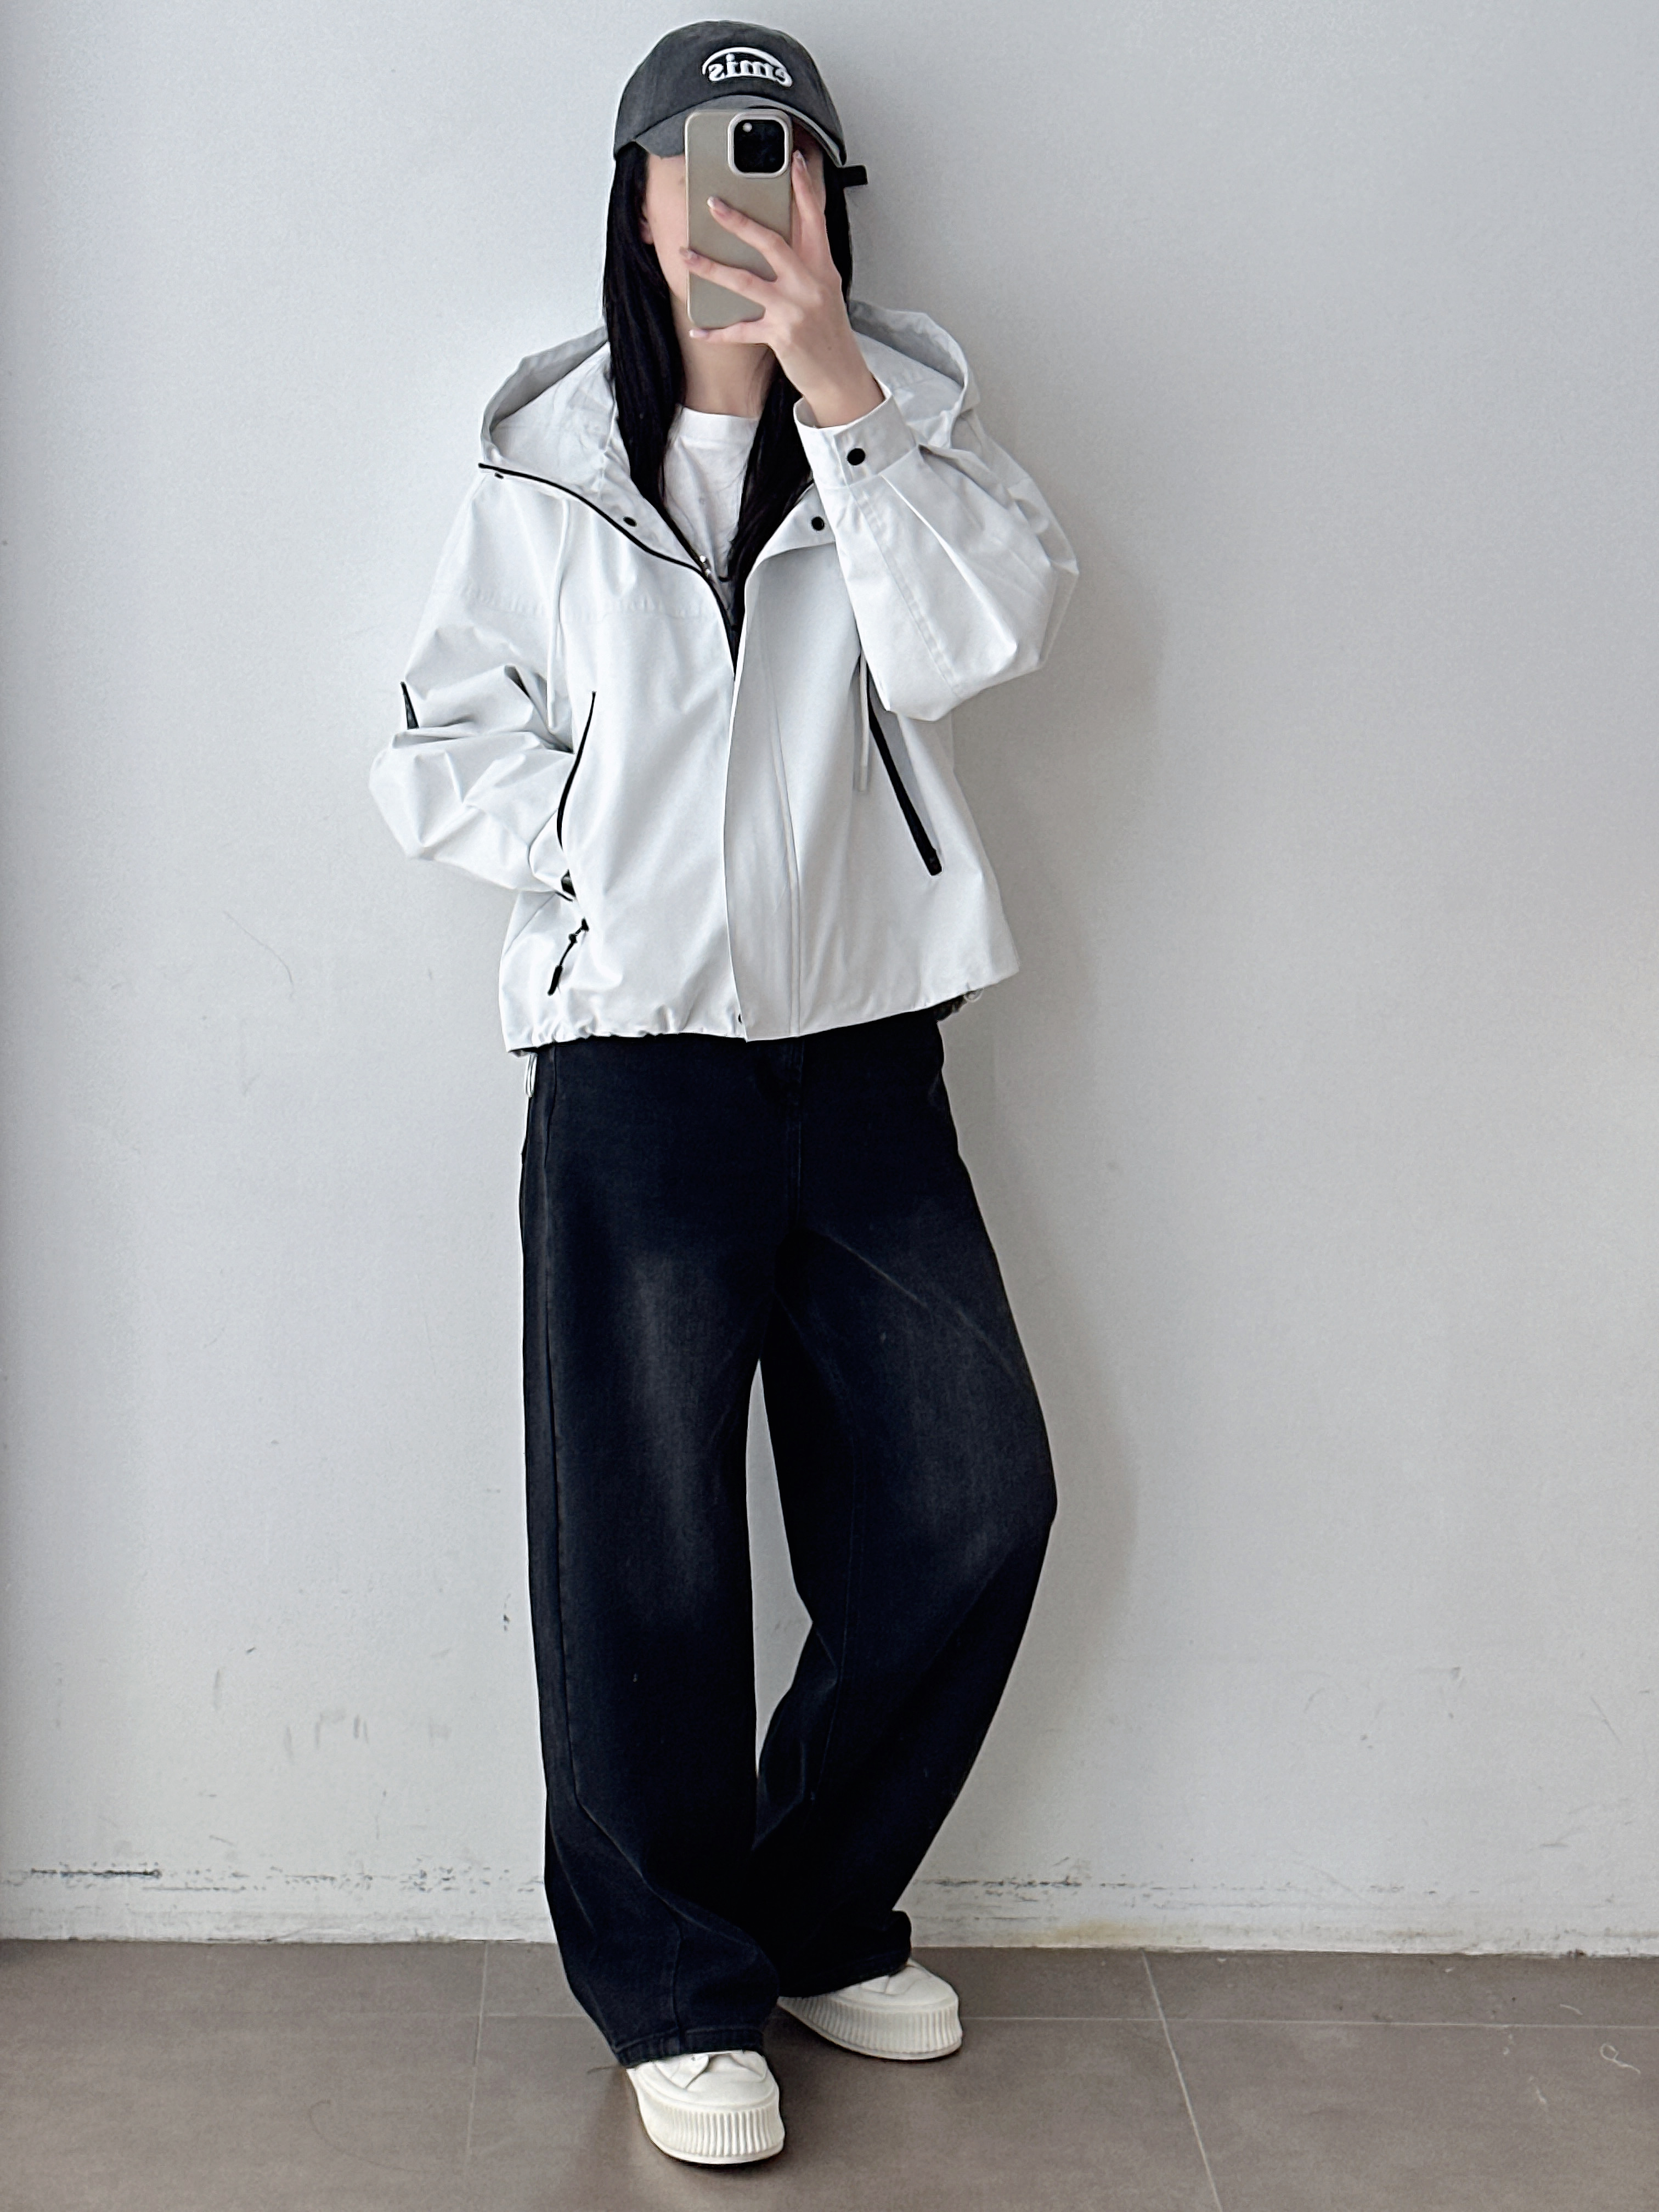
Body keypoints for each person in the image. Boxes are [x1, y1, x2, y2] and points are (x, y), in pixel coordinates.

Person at [369, 19, 1077, 2169]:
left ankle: (806, 1913)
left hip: (863, 1048)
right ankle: (677, 1989)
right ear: (633, 200)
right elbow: (432, 749)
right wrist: (604, 860)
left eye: (776, 167)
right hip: (634, 1060)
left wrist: (841, 390)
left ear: (831, 206)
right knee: (646, 1553)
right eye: (694, 168)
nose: (733, 206)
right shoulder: (542, 471)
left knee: (971, 1501)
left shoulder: (915, 427)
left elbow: (973, 649)